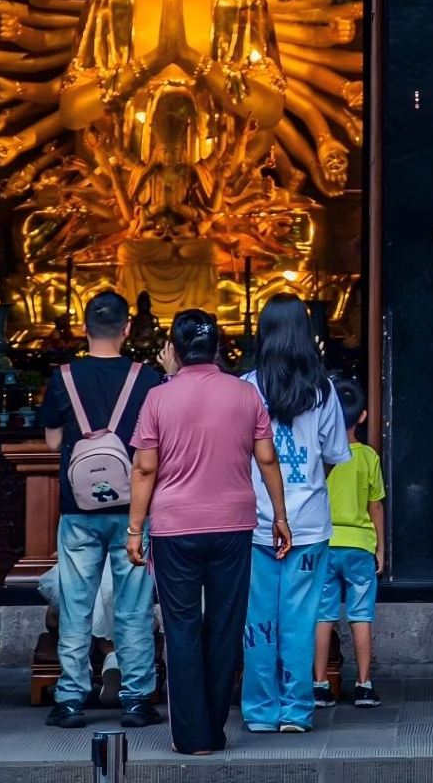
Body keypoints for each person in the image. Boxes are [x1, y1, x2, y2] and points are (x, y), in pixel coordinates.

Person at [126, 311, 292, 756]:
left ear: (174, 350)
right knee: (224, 625)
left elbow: (144, 467)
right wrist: (280, 516)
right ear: (218, 347)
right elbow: (268, 460)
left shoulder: (159, 398)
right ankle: (215, 729)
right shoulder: (245, 394)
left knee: (181, 627)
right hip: (234, 524)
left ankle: (191, 735)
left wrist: (135, 528)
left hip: (175, 527)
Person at [37, 291, 163, 729]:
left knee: (76, 604)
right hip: (134, 508)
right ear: (128, 329)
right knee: (134, 607)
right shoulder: (147, 378)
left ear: (83, 327)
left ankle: (70, 698)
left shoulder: (63, 376)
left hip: (78, 509)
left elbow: (53, 442)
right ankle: (136, 699)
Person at [240, 295, 349, 733]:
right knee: (301, 619)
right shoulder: (322, 391)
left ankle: (261, 711)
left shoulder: (247, 386)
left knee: (258, 621)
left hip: (256, 521)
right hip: (308, 521)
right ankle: (297, 711)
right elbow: (334, 453)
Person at [314, 376, 385, 708]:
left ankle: (319, 685)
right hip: (359, 545)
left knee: (323, 615)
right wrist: (380, 547)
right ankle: (365, 685)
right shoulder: (368, 456)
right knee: (361, 616)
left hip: (324, 543)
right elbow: (375, 505)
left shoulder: (319, 455)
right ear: (363, 416)